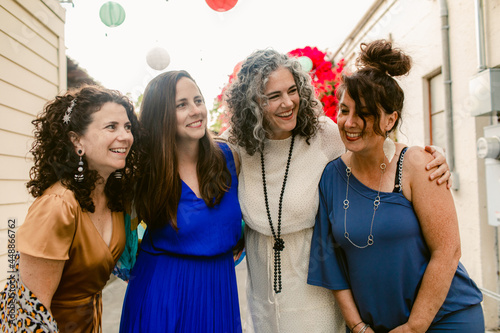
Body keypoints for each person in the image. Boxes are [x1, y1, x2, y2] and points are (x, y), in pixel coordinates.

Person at [221, 48, 452, 332]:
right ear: (253, 103)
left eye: (292, 91)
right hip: (261, 296)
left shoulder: (324, 134)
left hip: (317, 294)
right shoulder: (237, 148)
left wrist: (432, 155)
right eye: (273, 96)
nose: (288, 103)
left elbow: (380, 151)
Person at [307, 39, 484, 333]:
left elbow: (448, 251)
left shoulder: (417, 164)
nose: (349, 122)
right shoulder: (330, 177)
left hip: (446, 320)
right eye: (343, 110)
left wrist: (415, 327)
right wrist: (358, 327)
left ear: (390, 119)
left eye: (364, 113)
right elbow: (330, 264)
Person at [0, 85, 140, 332]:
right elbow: (28, 315)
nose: (126, 136)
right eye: (111, 127)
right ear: (76, 140)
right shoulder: (58, 206)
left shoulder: (115, 198)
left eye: (127, 127)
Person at [119, 70, 243, 333]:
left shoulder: (229, 158)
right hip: (163, 293)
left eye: (198, 100)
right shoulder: (145, 170)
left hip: (218, 289)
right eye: (182, 105)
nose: (195, 110)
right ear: (161, 115)